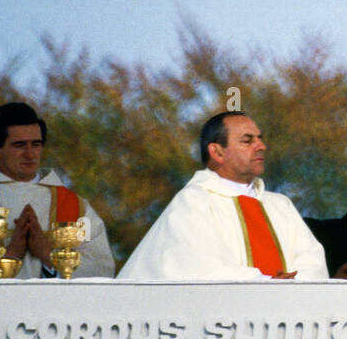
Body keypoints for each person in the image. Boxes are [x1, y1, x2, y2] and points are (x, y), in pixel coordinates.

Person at [119, 112, 328, 280]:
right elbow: (200, 266)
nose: (261, 146)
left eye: (260, 139)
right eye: (248, 141)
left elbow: (312, 260)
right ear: (217, 152)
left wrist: (297, 283)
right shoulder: (193, 202)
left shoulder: (280, 205)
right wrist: (266, 284)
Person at [0, 102, 115, 279]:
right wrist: (10, 255)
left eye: (36, 144)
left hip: (56, 306)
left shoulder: (74, 206)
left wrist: (48, 254)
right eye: (19, 145)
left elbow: (102, 269)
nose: (30, 154)